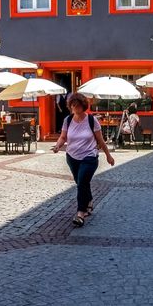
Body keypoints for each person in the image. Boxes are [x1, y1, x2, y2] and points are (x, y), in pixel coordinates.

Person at [51, 93, 114, 226]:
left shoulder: (92, 120)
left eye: (78, 105)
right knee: (81, 182)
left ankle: (80, 213)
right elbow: (63, 137)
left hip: (89, 156)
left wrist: (108, 155)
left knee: (82, 182)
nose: (75, 108)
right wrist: (57, 146)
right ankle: (89, 200)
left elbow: (100, 140)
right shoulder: (68, 120)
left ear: (83, 106)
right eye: (73, 105)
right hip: (72, 157)